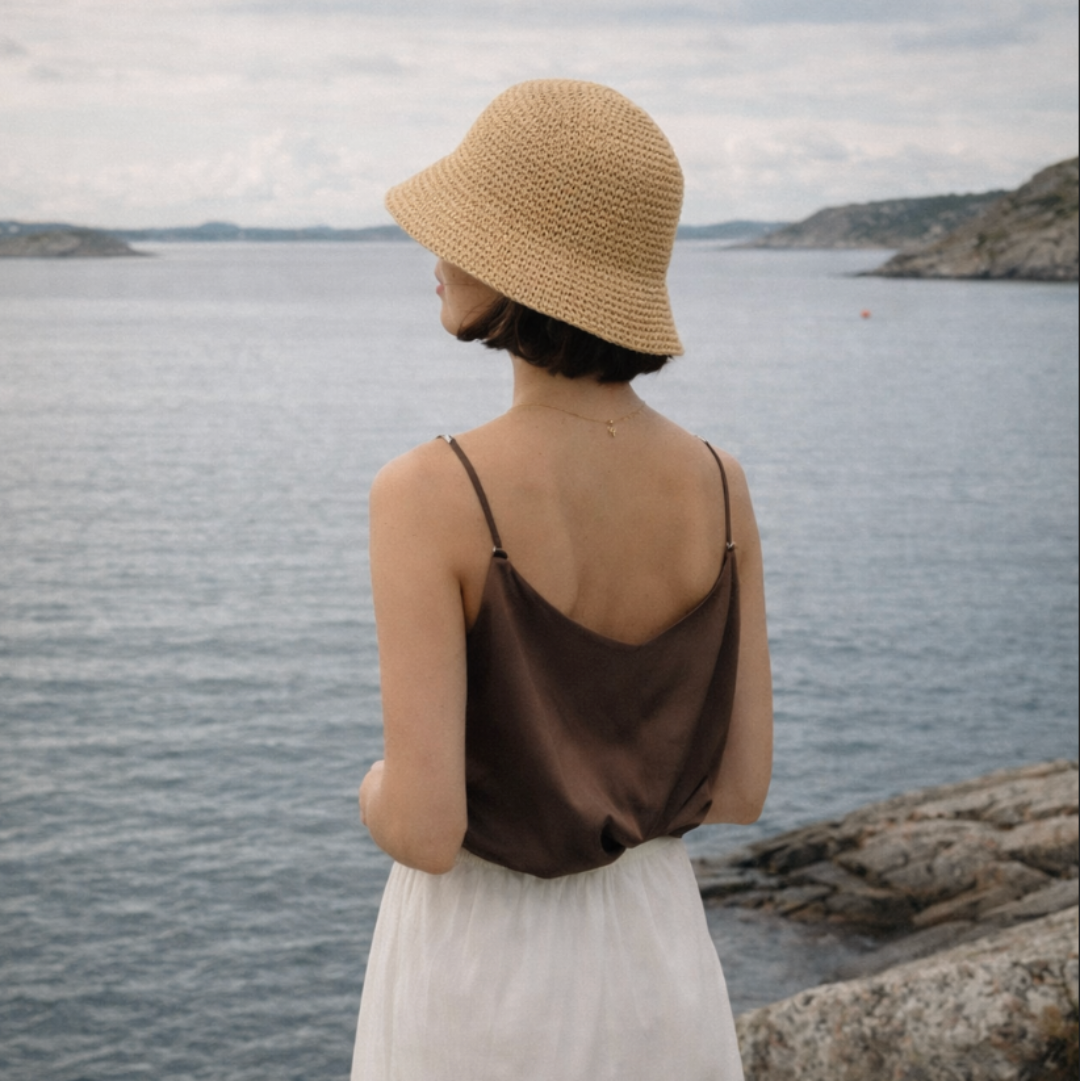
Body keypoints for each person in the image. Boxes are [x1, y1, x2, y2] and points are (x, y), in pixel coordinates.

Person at [351, 79, 772, 1081]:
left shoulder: (429, 491)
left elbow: (425, 829)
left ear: (520, 263)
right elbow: (742, 787)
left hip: (482, 977)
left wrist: (371, 787)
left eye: (462, 226)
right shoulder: (721, 482)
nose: (434, 251)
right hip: (660, 962)